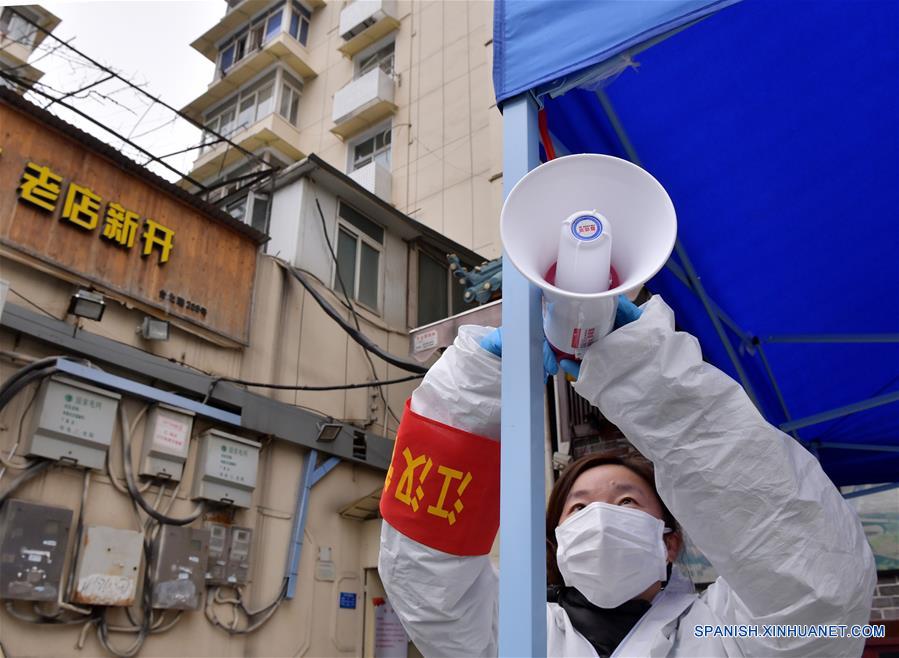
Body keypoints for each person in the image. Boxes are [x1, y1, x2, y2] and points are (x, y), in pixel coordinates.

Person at [378, 295, 876, 657]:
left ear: (671, 541)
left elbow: (818, 593)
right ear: (558, 541)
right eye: (578, 507)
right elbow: (429, 592)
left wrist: (649, 378)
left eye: (627, 503)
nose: (599, 518)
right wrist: (474, 392)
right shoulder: (514, 636)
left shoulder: (722, 634)